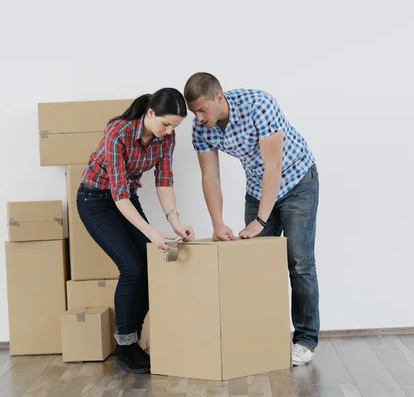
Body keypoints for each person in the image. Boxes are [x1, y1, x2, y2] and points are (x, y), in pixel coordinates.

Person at [183, 72, 320, 366]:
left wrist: (260, 219)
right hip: (258, 188)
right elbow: (210, 176)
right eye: (193, 112)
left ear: (219, 97)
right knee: (254, 264)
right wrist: (218, 223)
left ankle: (306, 339)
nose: (198, 117)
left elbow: (274, 165)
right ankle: (263, 338)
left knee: (299, 262)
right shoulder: (201, 129)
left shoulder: (259, 104)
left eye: (202, 109)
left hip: (298, 181)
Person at [76, 87, 195, 374]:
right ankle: (126, 346)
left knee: (148, 268)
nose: (168, 132)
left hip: (127, 198)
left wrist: (174, 222)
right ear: (150, 113)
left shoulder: (167, 138)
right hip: (96, 200)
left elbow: (164, 179)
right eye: (165, 124)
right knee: (132, 268)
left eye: (174, 127)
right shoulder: (118, 132)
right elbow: (118, 196)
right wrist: (152, 233)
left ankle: (133, 341)